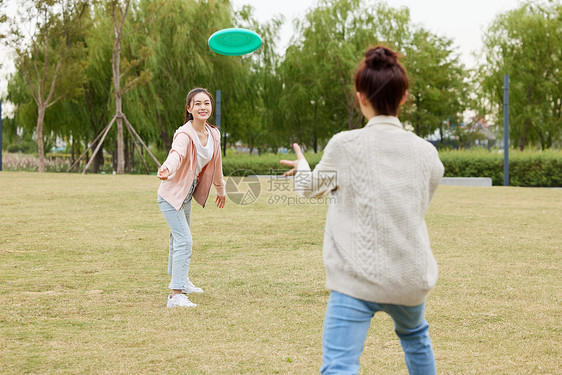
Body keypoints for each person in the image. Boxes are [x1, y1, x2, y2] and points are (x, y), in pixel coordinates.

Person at [281, 45, 444, 374]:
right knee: (416, 339)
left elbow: (309, 189)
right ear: (404, 97)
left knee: (340, 365)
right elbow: (415, 206)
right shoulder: (427, 153)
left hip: (357, 277)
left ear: (360, 97)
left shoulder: (345, 145)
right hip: (409, 276)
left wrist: (302, 167)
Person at [157, 87, 226, 308]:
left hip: (186, 194)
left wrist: (221, 189)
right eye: (197, 103)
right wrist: (167, 167)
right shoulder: (184, 134)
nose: (203, 107)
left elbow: (217, 164)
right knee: (184, 240)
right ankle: (176, 294)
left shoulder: (214, 134)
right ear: (189, 109)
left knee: (177, 239)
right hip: (171, 195)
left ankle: (182, 281)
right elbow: (176, 154)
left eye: (206, 103)